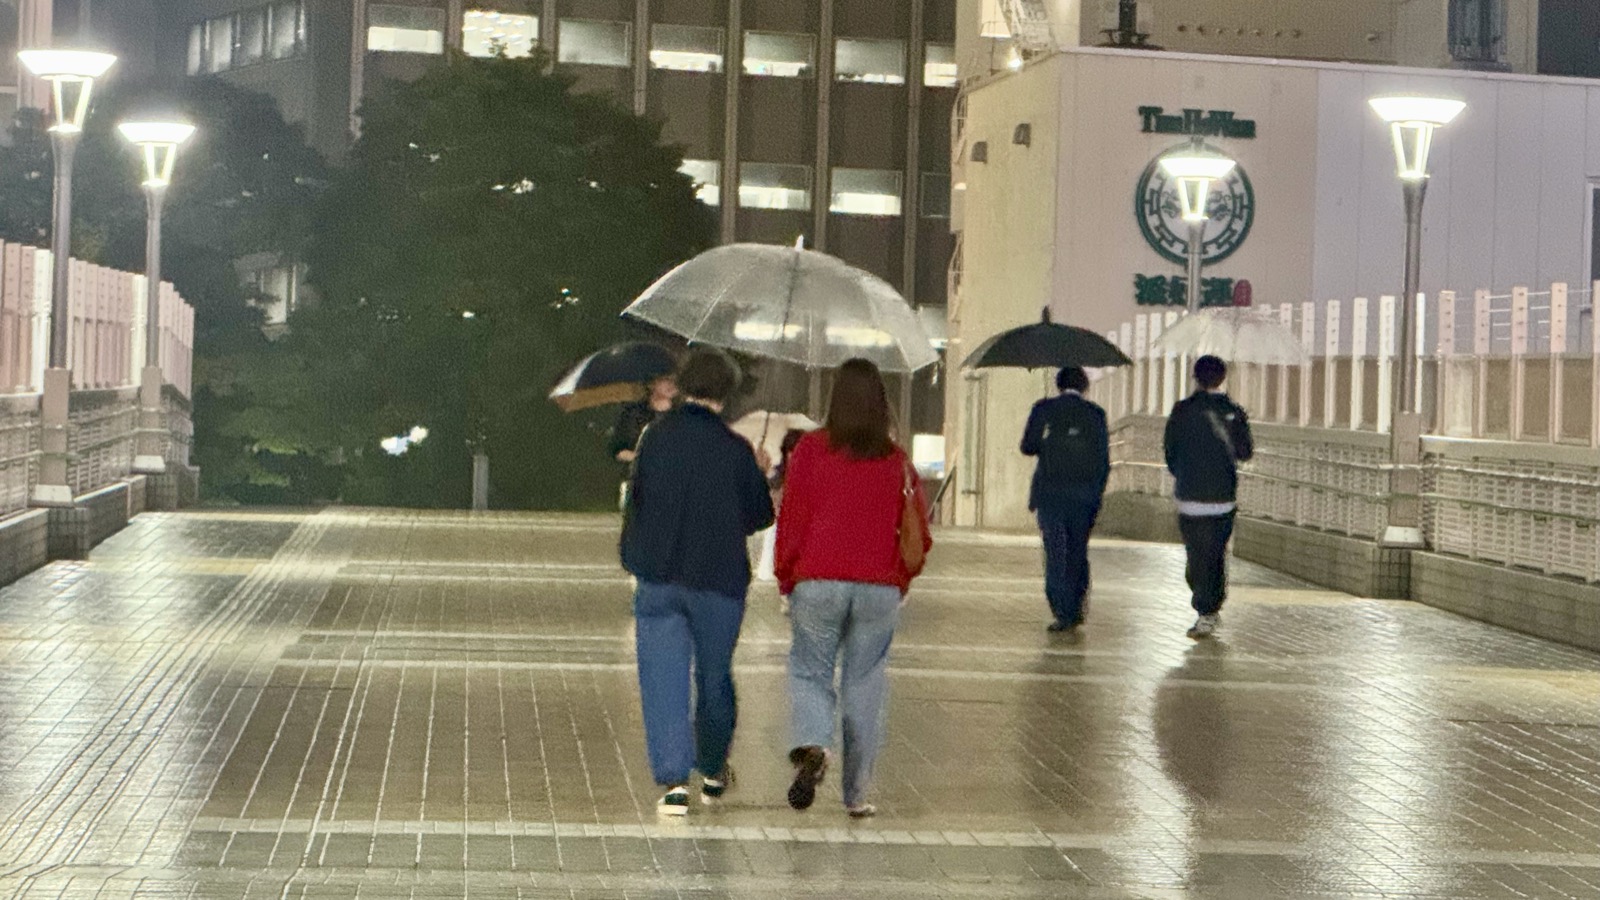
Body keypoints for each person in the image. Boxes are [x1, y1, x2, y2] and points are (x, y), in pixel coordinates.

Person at [775, 358, 932, 819]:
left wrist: (787, 577)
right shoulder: (896, 461)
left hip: (818, 581)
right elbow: (918, 532)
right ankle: (856, 794)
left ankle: (816, 744)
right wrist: (900, 581)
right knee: (865, 684)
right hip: (878, 588)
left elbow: (792, 522)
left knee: (810, 670)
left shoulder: (809, 451)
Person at [620, 351, 774, 816]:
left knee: (662, 678)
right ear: (726, 394)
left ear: (684, 385)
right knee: (713, 676)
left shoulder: (655, 438)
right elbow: (759, 516)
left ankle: (672, 783)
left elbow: (638, 498)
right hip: (718, 579)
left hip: (659, 574)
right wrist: (760, 472)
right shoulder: (734, 448)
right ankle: (711, 767)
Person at [1163, 355, 1254, 639]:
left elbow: (1170, 451)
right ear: (1223, 378)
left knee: (1195, 554)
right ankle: (1209, 609)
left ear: (1196, 377)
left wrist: (1183, 474)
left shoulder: (1182, 411)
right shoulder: (1234, 412)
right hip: (1223, 497)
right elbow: (1245, 451)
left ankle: (1205, 605)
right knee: (1216, 554)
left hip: (1189, 496)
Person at [1020, 366, 1110, 633]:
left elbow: (1027, 446)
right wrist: (1097, 492)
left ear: (1059, 385)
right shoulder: (1095, 415)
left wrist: (1049, 443)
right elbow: (1103, 459)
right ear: (1084, 387)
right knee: (1078, 551)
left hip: (1050, 494)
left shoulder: (1043, 409)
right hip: (1084, 497)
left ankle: (1062, 611)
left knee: (1055, 552)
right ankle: (1077, 606)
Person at [611, 374, 677, 509]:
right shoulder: (633, 414)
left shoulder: (685, 415)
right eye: (665, 379)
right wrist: (641, 458)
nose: (671, 384)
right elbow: (617, 449)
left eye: (675, 380)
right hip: (640, 483)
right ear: (651, 384)